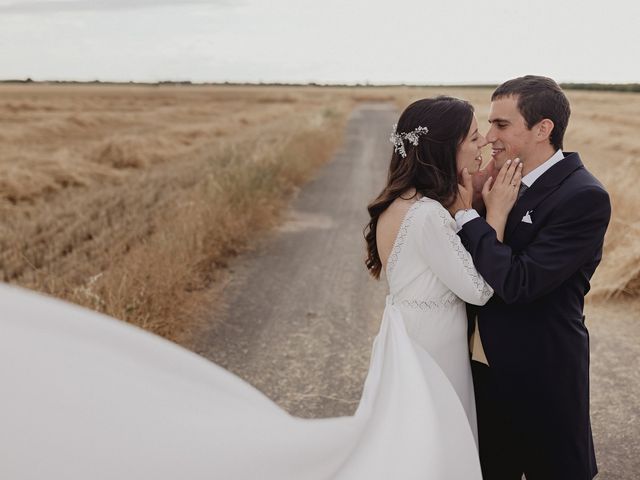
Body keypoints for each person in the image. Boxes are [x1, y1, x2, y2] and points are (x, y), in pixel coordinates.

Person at [0, 96, 521, 479]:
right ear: (446, 145)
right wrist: (490, 215)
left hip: (408, 335)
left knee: (409, 433)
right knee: (433, 439)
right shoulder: (429, 214)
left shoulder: (400, 204)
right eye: (474, 136)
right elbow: (478, 289)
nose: (482, 144)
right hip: (433, 344)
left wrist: (464, 207)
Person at [456, 76, 611, 480]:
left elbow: (519, 283)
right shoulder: (497, 180)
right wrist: (473, 196)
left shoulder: (583, 196)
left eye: (502, 125)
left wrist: (472, 217)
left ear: (544, 129)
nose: (489, 137)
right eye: (489, 125)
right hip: (483, 369)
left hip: (542, 373)